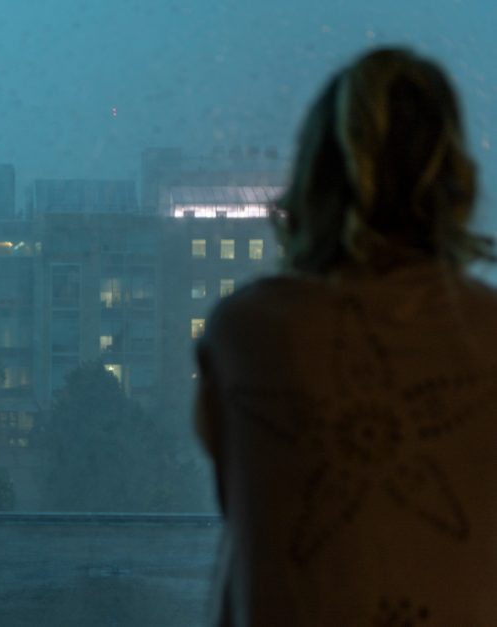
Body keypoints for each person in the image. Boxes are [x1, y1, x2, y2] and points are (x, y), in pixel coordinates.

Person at [195, 47, 497, 626]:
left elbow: (241, 490)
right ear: (452, 181)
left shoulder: (247, 334)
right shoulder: (486, 334)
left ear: (312, 180)